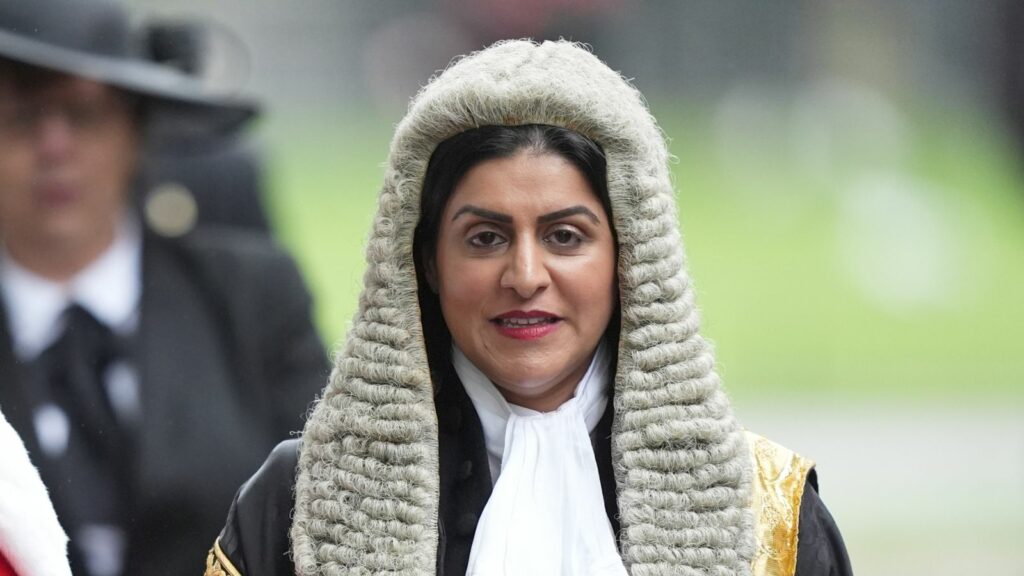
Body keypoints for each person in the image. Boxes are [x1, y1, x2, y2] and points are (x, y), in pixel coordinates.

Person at [207, 40, 853, 576]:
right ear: (425, 261)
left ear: (632, 255)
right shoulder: (302, 500)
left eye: (564, 237)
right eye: (484, 238)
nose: (524, 276)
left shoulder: (765, 510)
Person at [0, 1, 328, 575]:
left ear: (137, 133)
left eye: (83, 114)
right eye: (22, 117)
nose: (54, 148)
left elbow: (327, 500)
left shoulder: (252, 297)